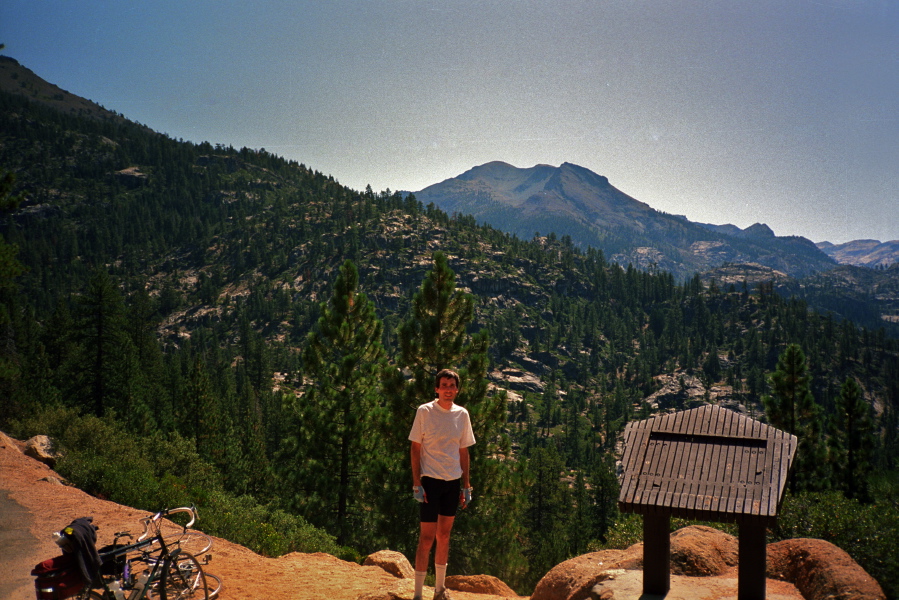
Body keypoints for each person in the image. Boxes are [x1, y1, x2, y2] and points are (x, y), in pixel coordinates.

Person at [408, 368, 475, 600]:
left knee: (444, 536)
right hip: (430, 482)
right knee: (426, 538)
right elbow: (415, 448)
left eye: (452, 386)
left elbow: (463, 450)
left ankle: (439, 590)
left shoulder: (462, 414)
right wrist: (417, 483)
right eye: (444, 385)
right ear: (437, 388)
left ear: (457, 389)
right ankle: (417, 594)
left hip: (452, 481)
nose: (448, 389)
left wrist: (466, 486)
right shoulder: (425, 411)